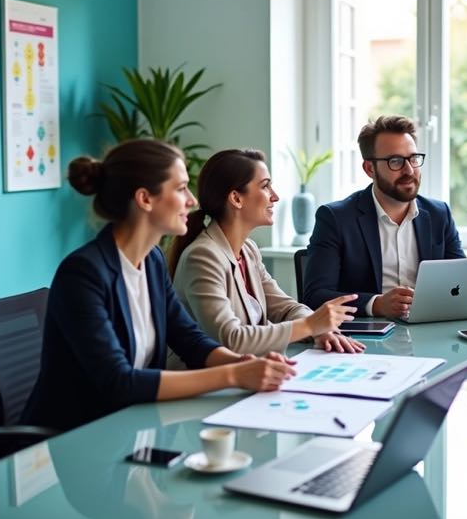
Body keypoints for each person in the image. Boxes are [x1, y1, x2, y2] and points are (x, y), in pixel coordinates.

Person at [23, 140, 295, 431]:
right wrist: (234, 375)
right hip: (72, 439)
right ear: (145, 199)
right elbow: (119, 382)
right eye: (180, 189)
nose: (191, 200)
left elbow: (189, 339)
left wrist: (241, 362)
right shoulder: (83, 274)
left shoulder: (151, 261)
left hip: (134, 426)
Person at [168, 149, 364, 362]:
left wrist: (319, 329)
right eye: (265, 186)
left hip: (250, 374)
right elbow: (230, 339)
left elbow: (286, 307)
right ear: (236, 198)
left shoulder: (248, 250)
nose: (275, 196)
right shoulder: (203, 256)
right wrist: (309, 325)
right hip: (204, 384)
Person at [303, 115, 465, 318]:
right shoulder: (335, 218)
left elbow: (462, 284)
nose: (409, 170)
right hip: (365, 337)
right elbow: (315, 296)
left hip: (429, 331)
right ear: (370, 168)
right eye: (395, 161)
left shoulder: (439, 214)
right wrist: (376, 304)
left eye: (413, 159)